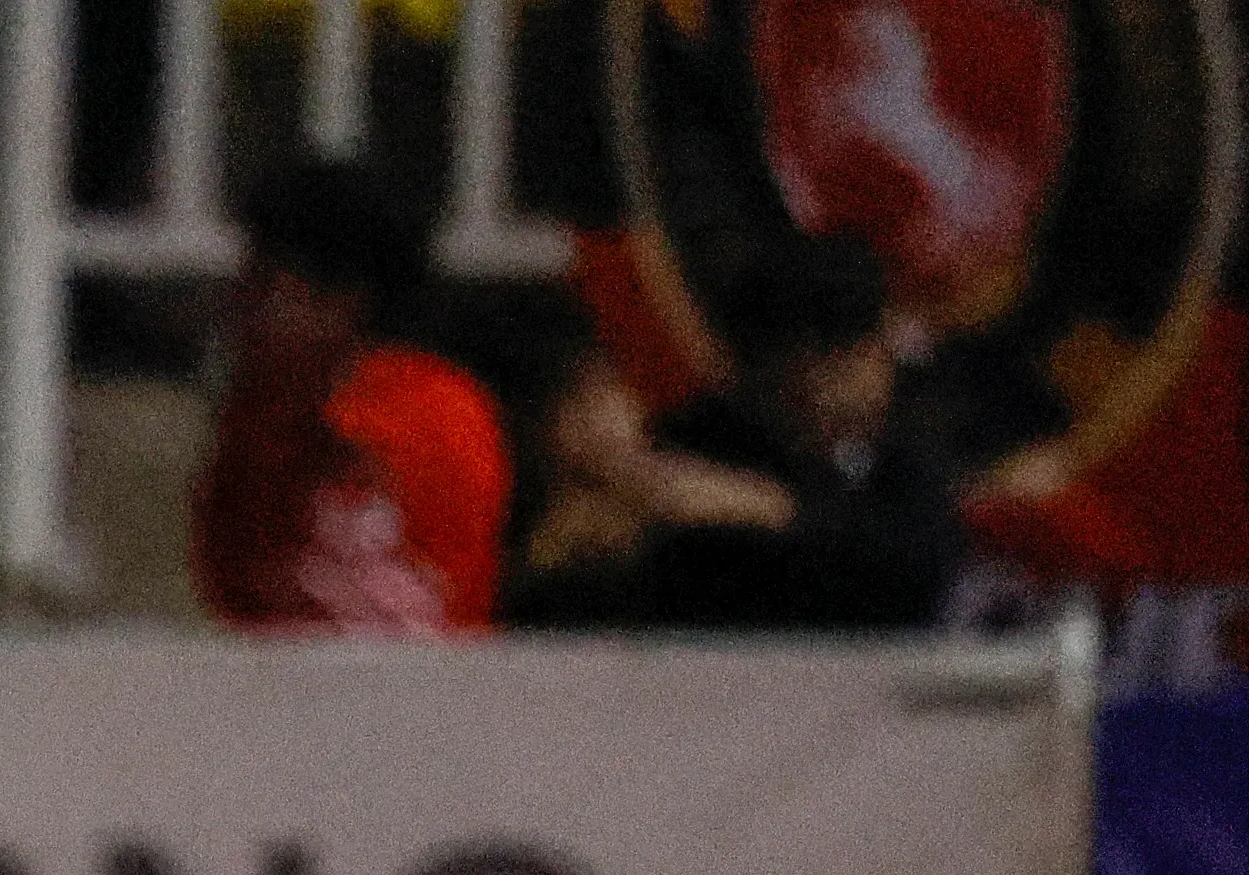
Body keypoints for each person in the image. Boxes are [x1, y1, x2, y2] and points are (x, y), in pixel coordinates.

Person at [189, 153, 507, 634]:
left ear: (339, 300)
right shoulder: (264, 409)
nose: (239, 306)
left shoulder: (420, 413)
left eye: (262, 284)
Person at [621, 228, 963, 633]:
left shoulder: (899, 444)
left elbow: (916, 570)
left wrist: (781, 513)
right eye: (850, 357)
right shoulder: (695, 444)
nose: (877, 372)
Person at [499, 294, 798, 629]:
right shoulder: (528, 517)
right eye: (576, 400)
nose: (605, 414)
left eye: (609, 389)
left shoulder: (666, 484)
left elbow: (777, 510)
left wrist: (640, 475)